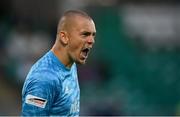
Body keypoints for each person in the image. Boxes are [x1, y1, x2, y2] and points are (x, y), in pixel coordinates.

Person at [21, 9, 96, 116]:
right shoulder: (43, 79)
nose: (92, 40)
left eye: (93, 35)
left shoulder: (71, 63)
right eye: (85, 34)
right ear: (64, 37)